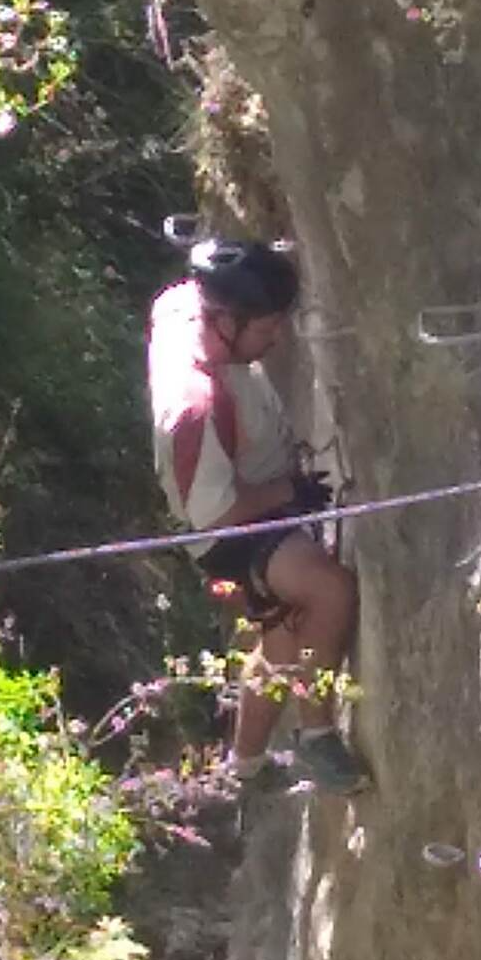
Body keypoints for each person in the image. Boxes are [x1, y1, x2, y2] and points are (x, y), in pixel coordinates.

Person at [147, 237, 367, 797]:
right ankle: (317, 735)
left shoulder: (184, 305)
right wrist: (288, 492)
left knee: (281, 640)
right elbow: (218, 517)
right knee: (327, 591)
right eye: (266, 328)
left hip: (246, 491)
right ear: (224, 322)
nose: (276, 337)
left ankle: (242, 769)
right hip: (229, 526)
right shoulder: (194, 406)